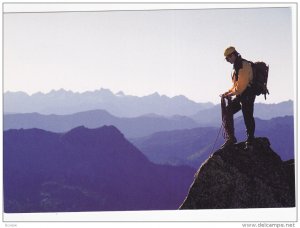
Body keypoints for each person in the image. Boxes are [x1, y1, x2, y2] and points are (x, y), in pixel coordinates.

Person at [221, 46, 256, 149]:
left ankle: (250, 140)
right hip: (242, 95)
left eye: (227, 58)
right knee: (228, 111)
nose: (227, 61)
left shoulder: (243, 65)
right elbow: (236, 86)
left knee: (247, 116)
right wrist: (227, 92)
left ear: (232, 55)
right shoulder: (237, 66)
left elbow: (241, 87)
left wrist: (230, 94)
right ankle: (231, 137)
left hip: (248, 95)